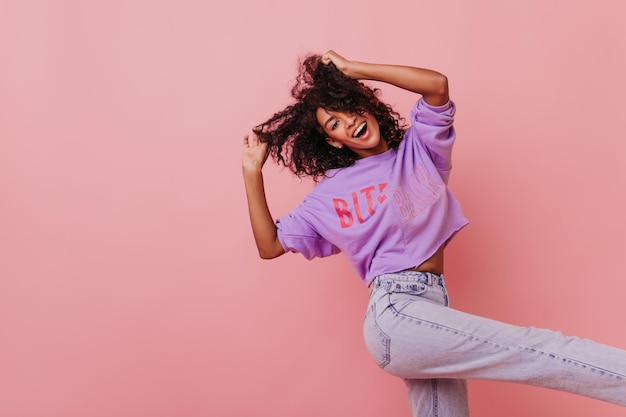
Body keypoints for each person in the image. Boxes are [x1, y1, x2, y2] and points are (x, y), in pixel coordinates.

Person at [241, 50, 626, 416]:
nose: (349, 123)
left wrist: (354, 69)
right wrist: (251, 173)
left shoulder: (420, 151)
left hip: (431, 308)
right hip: (396, 311)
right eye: (334, 124)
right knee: (537, 349)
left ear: (366, 104)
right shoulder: (330, 193)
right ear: (331, 140)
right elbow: (270, 244)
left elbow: (436, 86)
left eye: (349, 108)